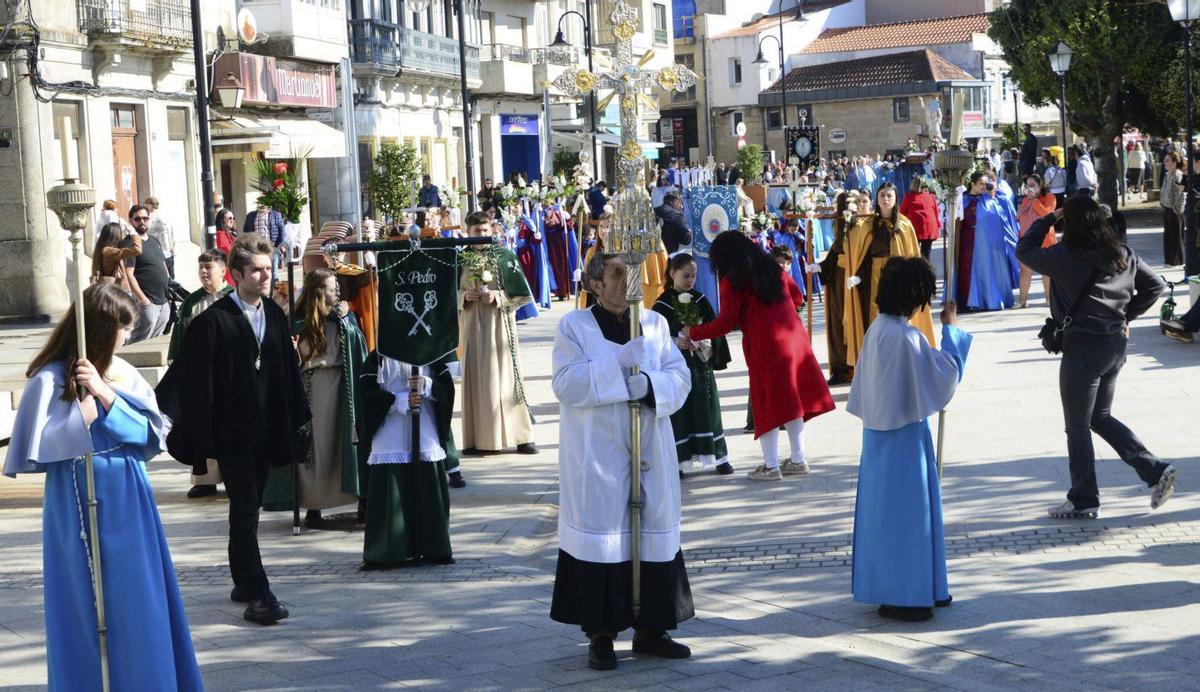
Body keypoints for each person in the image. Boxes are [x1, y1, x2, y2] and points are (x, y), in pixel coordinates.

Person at [3, 283, 203, 690]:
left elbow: (149, 436)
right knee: (80, 603)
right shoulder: (51, 378)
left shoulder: (122, 373)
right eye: (122, 328)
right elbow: (40, 447)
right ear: (100, 327)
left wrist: (106, 394)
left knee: (137, 600)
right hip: (74, 499)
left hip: (128, 495)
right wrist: (81, 417)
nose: (128, 336)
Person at [156, 233, 310, 625]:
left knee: (250, 507)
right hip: (232, 433)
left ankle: (242, 579)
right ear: (236, 274)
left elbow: (285, 373)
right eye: (256, 270)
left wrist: (294, 419)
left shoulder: (274, 314)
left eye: (267, 268)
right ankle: (258, 592)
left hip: (264, 431)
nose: (265, 276)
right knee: (244, 507)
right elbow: (190, 377)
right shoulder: (212, 321)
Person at [551, 252, 695, 671]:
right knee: (604, 536)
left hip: (649, 444)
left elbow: (679, 374)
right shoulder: (574, 327)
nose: (628, 281)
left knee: (650, 531)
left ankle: (653, 628)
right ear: (595, 285)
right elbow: (565, 384)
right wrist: (615, 366)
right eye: (617, 273)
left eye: (632, 273)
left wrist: (648, 385)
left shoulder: (653, 323)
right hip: (599, 451)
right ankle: (601, 634)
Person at [1017, 197, 1176, 520]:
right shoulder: (1122, 254)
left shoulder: (1064, 256)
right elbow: (1156, 286)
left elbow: (1024, 250)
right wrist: (1125, 317)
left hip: (1083, 351)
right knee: (1099, 417)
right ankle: (1155, 471)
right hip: (1114, 346)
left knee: (1077, 426)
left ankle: (1084, 498)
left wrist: (1048, 219)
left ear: (1070, 223)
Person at [848, 258, 971, 623]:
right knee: (909, 517)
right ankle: (907, 594)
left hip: (878, 439)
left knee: (885, 517)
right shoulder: (906, 338)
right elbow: (944, 376)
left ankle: (907, 587)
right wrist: (952, 333)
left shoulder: (878, 330)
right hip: (904, 439)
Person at [684, 233, 834, 481]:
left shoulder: (734, 281)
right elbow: (797, 297)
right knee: (792, 399)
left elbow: (725, 323)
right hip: (794, 337)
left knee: (766, 404)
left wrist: (694, 331)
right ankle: (798, 459)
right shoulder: (774, 269)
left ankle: (771, 465)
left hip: (766, 344)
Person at [262, 267, 368, 527]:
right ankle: (313, 505)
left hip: (342, 387)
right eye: (333, 288)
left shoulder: (343, 316)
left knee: (342, 446)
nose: (338, 293)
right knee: (314, 448)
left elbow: (358, 345)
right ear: (320, 292)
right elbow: (282, 359)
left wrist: (345, 323)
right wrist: (292, 349)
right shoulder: (296, 319)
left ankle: (358, 500)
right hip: (311, 387)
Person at [357, 352, 456, 568]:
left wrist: (427, 386)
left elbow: (446, 388)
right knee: (390, 492)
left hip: (424, 432)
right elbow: (366, 397)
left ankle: (433, 547)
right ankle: (386, 551)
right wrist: (398, 400)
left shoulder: (429, 355)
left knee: (428, 488)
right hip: (389, 434)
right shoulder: (378, 359)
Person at [458, 211, 538, 466]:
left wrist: (498, 297)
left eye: (484, 231)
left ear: (491, 230)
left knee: (506, 378)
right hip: (471, 325)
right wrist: (463, 298)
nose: (480, 235)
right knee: (475, 378)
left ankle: (521, 435)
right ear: (467, 232)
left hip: (499, 324)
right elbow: (448, 295)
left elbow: (522, 295)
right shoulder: (460, 258)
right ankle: (478, 439)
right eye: (475, 232)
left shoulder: (504, 256)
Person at [652, 254, 734, 476]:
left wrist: (701, 340)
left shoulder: (700, 300)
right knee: (680, 411)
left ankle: (720, 457)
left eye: (694, 276)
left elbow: (715, 330)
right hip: (675, 366)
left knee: (708, 408)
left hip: (699, 365)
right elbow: (652, 337)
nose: (690, 281)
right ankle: (679, 461)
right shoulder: (661, 305)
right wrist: (674, 341)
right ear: (672, 274)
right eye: (685, 275)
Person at [843, 182, 936, 368]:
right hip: (874, 279)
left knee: (899, 318)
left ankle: (902, 360)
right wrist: (858, 276)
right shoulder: (867, 225)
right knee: (876, 320)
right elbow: (862, 257)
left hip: (899, 281)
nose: (885, 199)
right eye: (882, 196)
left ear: (896, 199)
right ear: (876, 200)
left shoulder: (904, 224)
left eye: (889, 196)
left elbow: (912, 256)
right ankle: (877, 363)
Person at [167, 250, 233, 498]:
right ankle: (204, 480)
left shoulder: (235, 298)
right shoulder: (191, 303)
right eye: (201, 268)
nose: (204, 272)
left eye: (209, 267)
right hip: (199, 376)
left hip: (229, 376)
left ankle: (232, 475)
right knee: (200, 426)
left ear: (223, 271)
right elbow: (180, 339)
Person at [955, 172, 1020, 311]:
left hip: (990, 244)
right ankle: (971, 302)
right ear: (973, 184)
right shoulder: (963, 199)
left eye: (986, 184)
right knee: (971, 271)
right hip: (970, 242)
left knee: (990, 269)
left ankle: (992, 299)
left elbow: (1002, 219)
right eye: (981, 184)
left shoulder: (992, 199)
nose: (984, 187)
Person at [818, 191, 854, 385]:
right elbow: (833, 256)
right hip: (840, 282)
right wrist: (819, 267)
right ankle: (842, 366)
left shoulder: (860, 225)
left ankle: (854, 365)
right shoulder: (840, 228)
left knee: (852, 321)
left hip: (854, 281)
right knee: (839, 321)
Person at [122, 204, 172, 343]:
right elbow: (129, 273)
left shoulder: (154, 240)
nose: (142, 222)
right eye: (137, 219)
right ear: (131, 221)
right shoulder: (130, 244)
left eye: (145, 218)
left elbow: (163, 265)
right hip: (146, 301)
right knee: (139, 340)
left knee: (155, 340)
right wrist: (142, 299)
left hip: (163, 299)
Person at [1015, 174, 1059, 309]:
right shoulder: (1024, 200)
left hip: (1045, 240)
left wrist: (1034, 200)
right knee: (1025, 271)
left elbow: (1047, 215)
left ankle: (1048, 299)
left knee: (1047, 272)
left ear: (1041, 186)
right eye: (1027, 185)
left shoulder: (1050, 198)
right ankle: (1022, 301)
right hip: (1026, 240)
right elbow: (1019, 218)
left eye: (1033, 185)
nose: (1029, 188)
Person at [899, 177, 942, 261]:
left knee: (913, 253)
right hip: (930, 228)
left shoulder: (908, 197)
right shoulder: (931, 197)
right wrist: (939, 227)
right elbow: (936, 213)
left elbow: (902, 213)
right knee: (926, 254)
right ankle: (925, 271)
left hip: (915, 228)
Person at [91, 221, 141, 293]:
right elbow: (137, 250)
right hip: (115, 291)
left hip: (109, 289)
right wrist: (133, 233)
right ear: (116, 235)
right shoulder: (110, 251)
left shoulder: (102, 249)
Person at [1160, 151, 1186, 267]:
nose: (1165, 163)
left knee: (1176, 237)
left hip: (1175, 210)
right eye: (1164, 160)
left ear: (1175, 162)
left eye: (1168, 161)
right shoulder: (1167, 174)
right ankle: (1169, 260)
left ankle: (1176, 261)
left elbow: (1181, 195)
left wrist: (1177, 209)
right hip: (1167, 208)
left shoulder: (1178, 175)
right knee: (1168, 236)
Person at [143, 196, 176, 279]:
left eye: (146, 204)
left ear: (150, 205)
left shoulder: (149, 219)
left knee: (161, 278)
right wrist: (173, 249)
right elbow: (173, 234)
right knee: (171, 279)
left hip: (157, 253)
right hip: (168, 253)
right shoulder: (166, 216)